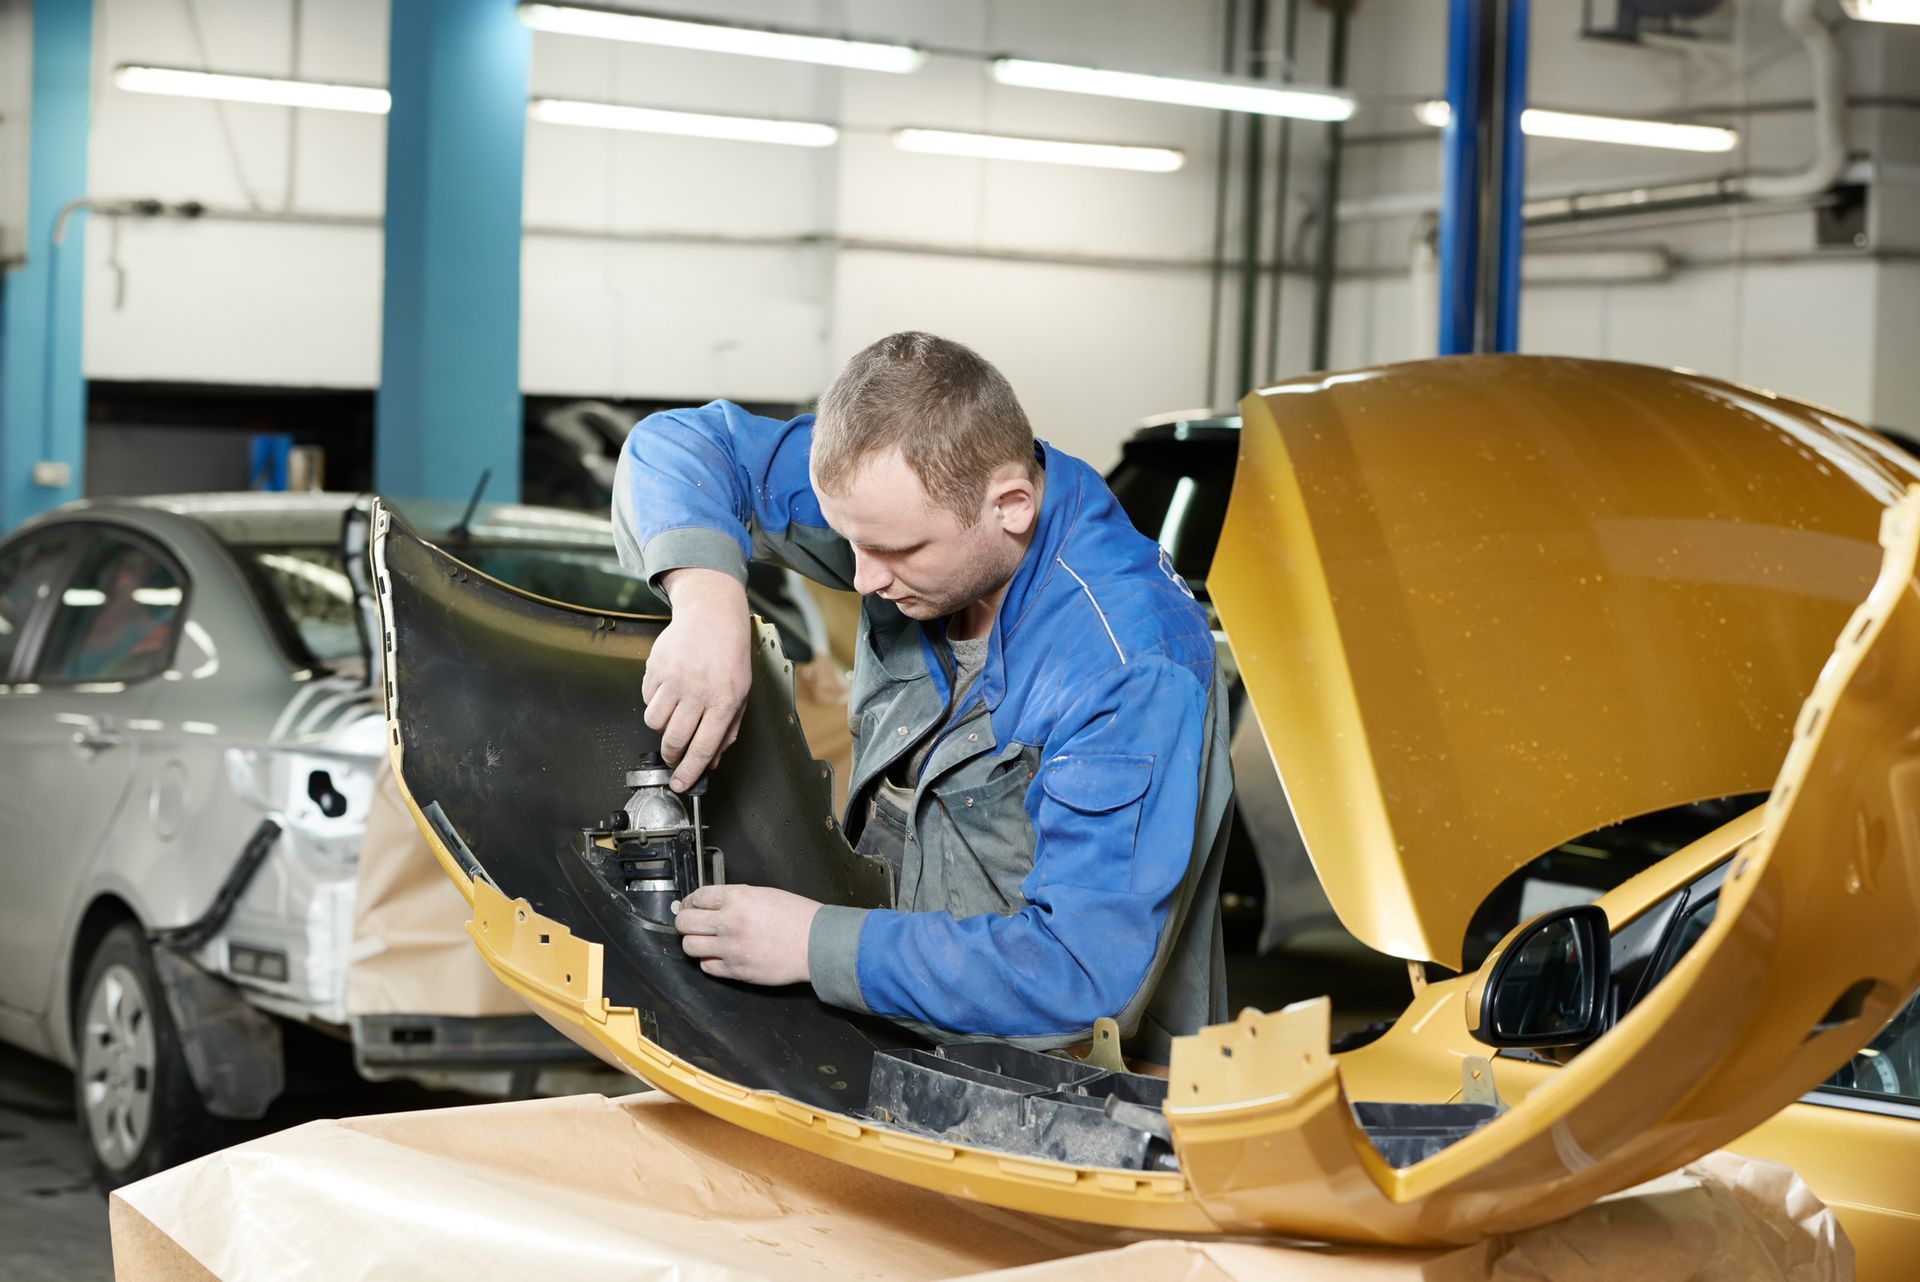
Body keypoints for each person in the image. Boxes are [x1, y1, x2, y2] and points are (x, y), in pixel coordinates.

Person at [613, 332, 1231, 1059]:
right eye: (852, 544)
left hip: (1068, 1104)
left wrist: (813, 943)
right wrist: (707, 604)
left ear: (1011, 505)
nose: (865, 580)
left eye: (898, 554)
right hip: (889, 1043)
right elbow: (678, 445)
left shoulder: (1126, 666)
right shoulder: (905, 504)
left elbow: (1082, 979)